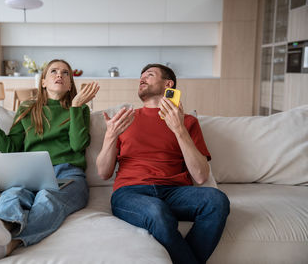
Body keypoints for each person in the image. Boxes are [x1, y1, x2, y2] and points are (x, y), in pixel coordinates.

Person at [0, 59, 99, 262]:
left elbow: (78, 145)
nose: (60, 75)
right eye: (54, 71)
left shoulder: (79, 109)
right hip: (31, 173)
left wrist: (76, 106)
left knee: (47, 198)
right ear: (43, 82)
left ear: (70, 84)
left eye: (66, 73)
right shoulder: (27, 108)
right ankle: (0, 225)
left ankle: (7, 244)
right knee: (13, 194)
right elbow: (10, 148)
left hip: (68, 174)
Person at [96, 63, 230, 264]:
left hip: (175, 192)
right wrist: (110, 136)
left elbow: (201, 176)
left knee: (217, 201)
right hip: (132, 192)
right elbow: (103, 173)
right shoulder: (124, 120)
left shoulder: (188, 122)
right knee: (156, 211)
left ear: (169, 84)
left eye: (149, 75)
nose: (142, 79)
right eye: (141, 76)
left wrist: (179, 129)